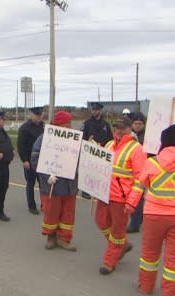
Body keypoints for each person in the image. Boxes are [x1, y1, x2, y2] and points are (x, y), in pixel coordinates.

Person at [126, 124, 175, 296]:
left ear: (162, 143)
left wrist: (130, 204)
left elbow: (139, 184)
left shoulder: (152, 163)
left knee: (149, 254)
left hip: (153, 215)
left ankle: (146, 286)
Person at [96, 116, 145, 275]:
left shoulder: (136, 149)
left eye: (122, 128)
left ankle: (110, 260)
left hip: (121, 198)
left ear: (129, 129)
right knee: (101, 221)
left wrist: (132, 202)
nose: (118, 131)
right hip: (104, 193)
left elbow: (140, 180)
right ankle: (122, 245)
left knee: (117, 230)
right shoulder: (110, 144)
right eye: (116, 127)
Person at [30, 111, 78, 251]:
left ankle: (64, 238)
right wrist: (47, 175)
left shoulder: (75, 139)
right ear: (59, 124)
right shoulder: (44, 138)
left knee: (67, 214)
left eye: (70, 123)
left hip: (70, 186)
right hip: (52, 185)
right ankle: (51, 236)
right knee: (51, 212)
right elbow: (35, 159)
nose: (69, 126)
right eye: (66, 123)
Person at [80, 102, 112, 199]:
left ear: (101, 110)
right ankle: (85, 190)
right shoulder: (87, 123)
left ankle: (98, 190)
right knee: (88, 171)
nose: (95, 112)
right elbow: (81, 138)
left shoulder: (105, 124)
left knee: (99, 173)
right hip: (90, 152)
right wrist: (87, 142)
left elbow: (110, 139)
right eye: (93, 110)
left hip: (102, 151)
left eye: (97, 110)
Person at [17, 106, 45, 215]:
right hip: (29, 160)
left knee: (43, 184)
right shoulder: (25, 128)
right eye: (37, 115)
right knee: (30, 183)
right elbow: (21, 145)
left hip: (42, 160)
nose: (39, 117)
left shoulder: (43, 127)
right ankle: (31, 205)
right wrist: (24, 160)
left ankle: (44, 204)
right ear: (31, 115)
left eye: (40, 115)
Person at [126, 111, 147, 233]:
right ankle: (137, 219)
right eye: (135, 123)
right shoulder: (129, 136)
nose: (138, 126)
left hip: (145, 169)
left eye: (140, 123)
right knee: (136, 197)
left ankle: (135, 222)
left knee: (138, 197)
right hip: (131, 170)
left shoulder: (148, 137)